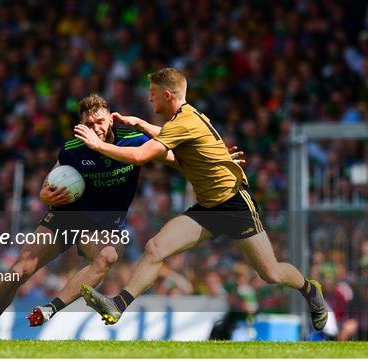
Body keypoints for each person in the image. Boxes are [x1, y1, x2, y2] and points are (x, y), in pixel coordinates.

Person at [0, 93, 247, 340]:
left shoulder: (134, 141)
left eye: (100, 122)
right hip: (65, 218)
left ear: (110, 121)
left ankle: (49, 308)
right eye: (89, 124)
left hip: (101, 227)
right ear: (81, 125)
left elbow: (177, 160)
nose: (95, 128)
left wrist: (216, 163)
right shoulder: (72, 150)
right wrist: (46, 196)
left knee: (108, 257)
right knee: (19, 271)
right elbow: (47, 186)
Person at [74, 68, 328, 331]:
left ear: (167, 94)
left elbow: (140, 156)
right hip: (208, 207)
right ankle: (118, 305)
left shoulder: (182, 123)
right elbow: (169, 140)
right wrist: (139, 123)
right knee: (155, 248)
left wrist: (97, 145)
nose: (150, 99)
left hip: (234, 204)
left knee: (271, 273)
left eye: (152, 94)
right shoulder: (185, 117)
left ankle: (311, 290)